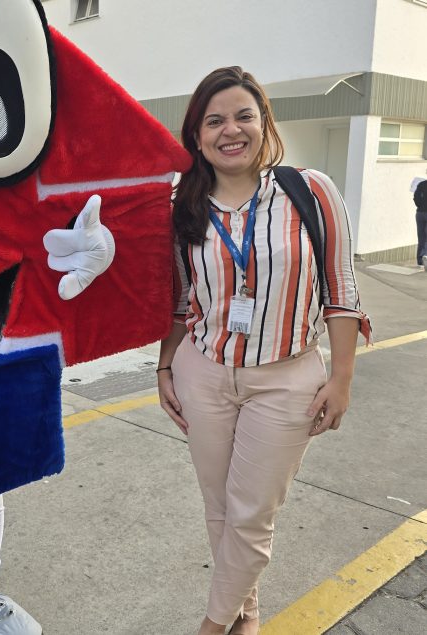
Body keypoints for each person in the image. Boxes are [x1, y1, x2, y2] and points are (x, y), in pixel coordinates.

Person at [156, 66, 371, 635]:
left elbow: (342, 290)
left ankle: (213, 624)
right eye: (214, 121)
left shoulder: (311, 191)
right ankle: (245, 614)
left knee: (252, 512)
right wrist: (164, 366)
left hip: (286, 378)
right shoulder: (183, 206)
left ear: (264, 123)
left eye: (243, 116)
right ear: (197, 135)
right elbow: (180, 300)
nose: (231, 130)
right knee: (221, 506)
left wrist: (341, 379)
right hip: (203, 373)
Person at [414, 178, 427, 270]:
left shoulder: (421, 184)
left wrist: (421, 206)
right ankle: (425, 255)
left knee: (421, 237)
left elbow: (416, 198)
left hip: (420, 213)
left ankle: (420, 261)